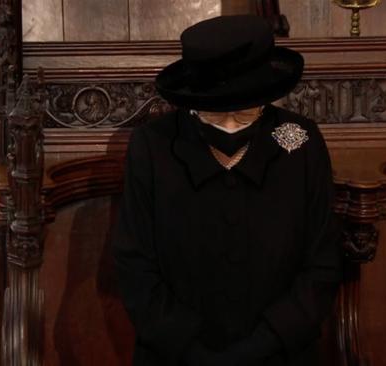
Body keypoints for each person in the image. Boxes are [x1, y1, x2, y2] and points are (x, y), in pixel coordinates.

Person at [109, 14, 343, 366]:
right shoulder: (153, 145)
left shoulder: (300, 141)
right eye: (216, 114)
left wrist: (262, 345)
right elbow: (134, 264)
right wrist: (193, 351)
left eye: (245, 113)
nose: (231, 123)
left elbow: (323, 262)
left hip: (282, 355)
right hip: (176, 357)